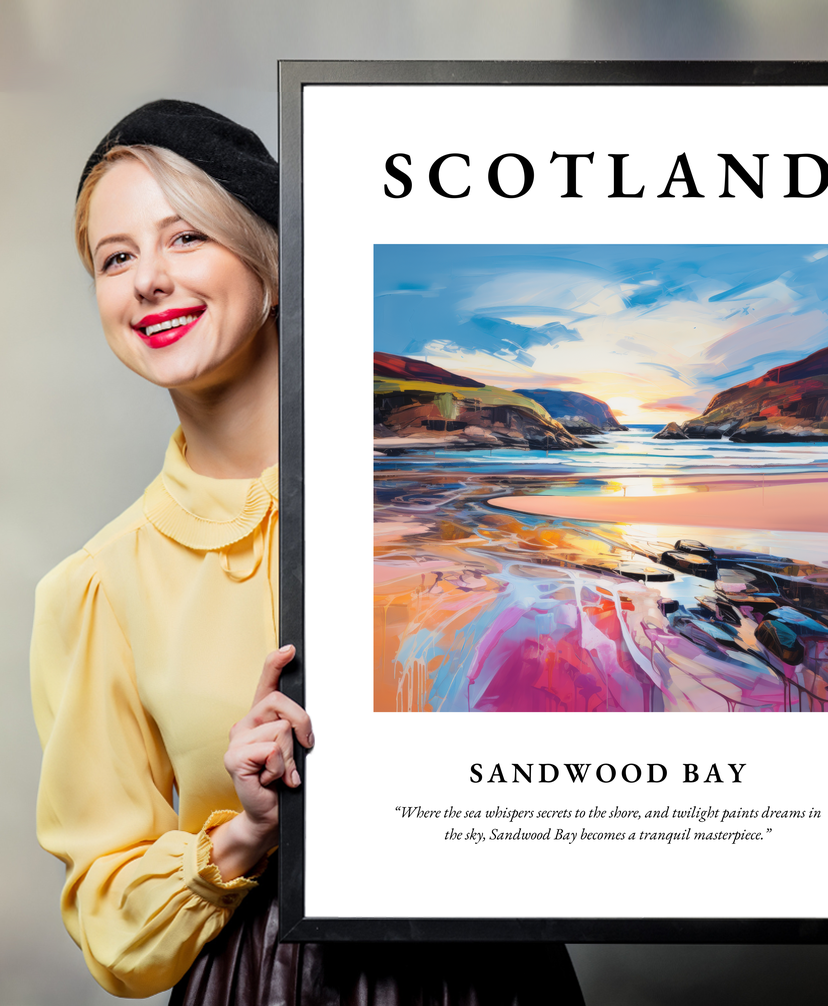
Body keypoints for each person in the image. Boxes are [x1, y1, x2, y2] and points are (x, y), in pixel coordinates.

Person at [30, 100, 585, 1004]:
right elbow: (110, 924)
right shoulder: (97, 587)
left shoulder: (453, 512)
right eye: (116, 257)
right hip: (263, 981)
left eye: (186, 238)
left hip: (494, 973)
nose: (148, 281)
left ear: (273, 264)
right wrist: (245, 832)